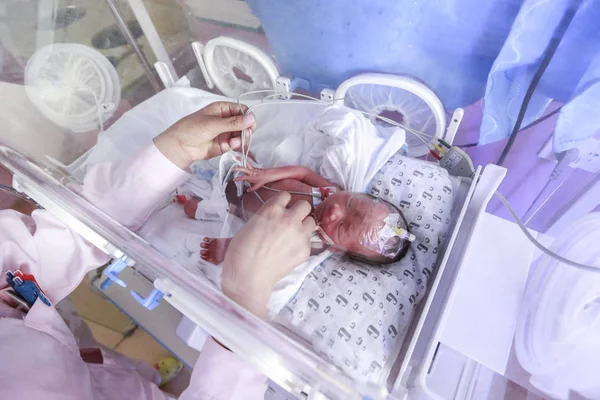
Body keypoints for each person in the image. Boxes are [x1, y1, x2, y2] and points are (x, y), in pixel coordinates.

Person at [0, 102, 316, 400]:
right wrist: (244, 297)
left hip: (85, 366)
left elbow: (52, 245)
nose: (333, 215)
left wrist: (172, 152)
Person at [182, 162, 412, 266]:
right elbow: (303, 173)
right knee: (236, 157)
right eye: (351, 204)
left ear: (336, 249)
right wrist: (267, 173)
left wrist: (230, 245)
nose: (335, 211)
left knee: (193, 208)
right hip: (251, 177)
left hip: (230, 205)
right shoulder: (331, 191)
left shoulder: (311, 240)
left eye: (342, 226)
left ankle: (191, 202)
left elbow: (265, 243)